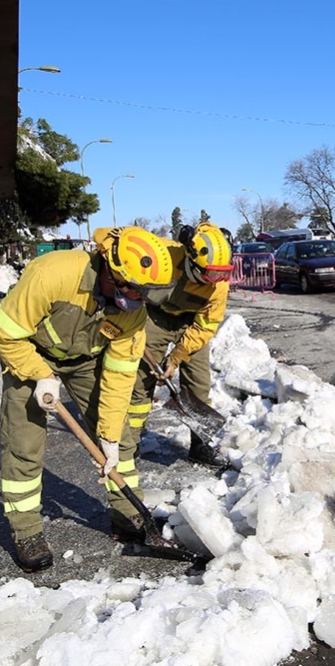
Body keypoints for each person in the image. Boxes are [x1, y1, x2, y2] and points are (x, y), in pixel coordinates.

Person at [0, 226, 176, 572]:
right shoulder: (53, 274)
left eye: (147, 294)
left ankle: (128, 516)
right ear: (110, 270)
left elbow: (119, 375)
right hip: (28, 351)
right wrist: (41, 374)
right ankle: (27, 532)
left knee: (121, 437)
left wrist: (108, 436)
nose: (140, 300)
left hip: (86, 360)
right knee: (24, 444)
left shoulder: (132, 311)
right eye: (135, 290)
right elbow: (3, 331)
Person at [113, 222, 233, 540]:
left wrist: (176, 358)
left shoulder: (218, 283)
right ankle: (131, 441)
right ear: (191, 261)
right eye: (210, 275)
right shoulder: (163, 257)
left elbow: (205, 327)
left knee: (198, 383)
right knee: (142, 381)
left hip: (190, 323)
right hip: (155, 316)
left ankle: (200, 445)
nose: (217, 282)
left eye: (221, 275)